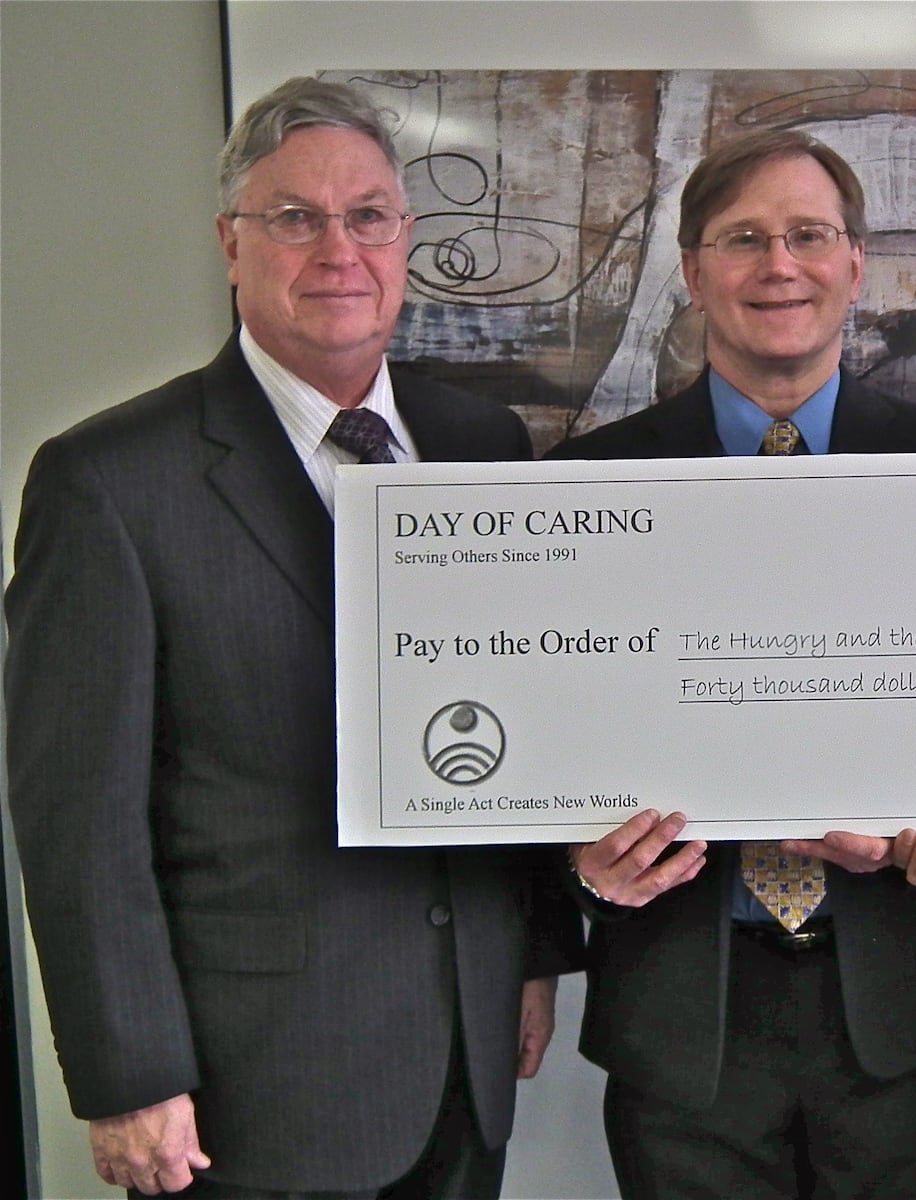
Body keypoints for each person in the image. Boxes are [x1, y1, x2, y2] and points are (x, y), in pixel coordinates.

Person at [5, 76, 584, 1198]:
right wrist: (129, 1076)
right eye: (294, 217)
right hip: (249, 1090)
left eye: (367, 216)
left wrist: (537, 951)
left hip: (462, 1064)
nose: (338, 251)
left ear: (404, 240)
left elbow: (519, 717)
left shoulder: (483, 446)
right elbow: (78, 821)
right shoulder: (109, 482)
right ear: (231, 243)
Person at [544, 129, 916, 1199]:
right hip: (677, 1014)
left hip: (894, 1007)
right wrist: (580, 862)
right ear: (694, 272)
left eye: (808, 235)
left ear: (855, 264)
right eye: (744, 239)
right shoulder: (581, 486)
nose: (779, 265)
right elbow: (542, 733)